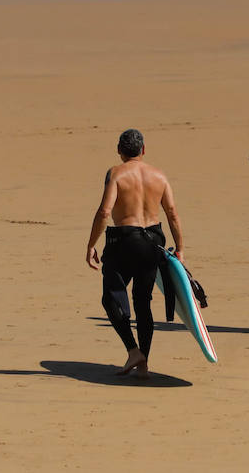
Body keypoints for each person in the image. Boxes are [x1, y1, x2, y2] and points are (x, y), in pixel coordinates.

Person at [85, 128, 185, 379]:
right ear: (143, 150)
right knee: (143, 302)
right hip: (153, 242)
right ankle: (143, 365)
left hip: (124, 241)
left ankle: (133, 350)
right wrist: (180, 248)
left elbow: (105, 212)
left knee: (111, 298)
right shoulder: (159, 176)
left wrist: (90, 245)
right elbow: (172, 213)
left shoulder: (116, 173)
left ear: (119, 151)